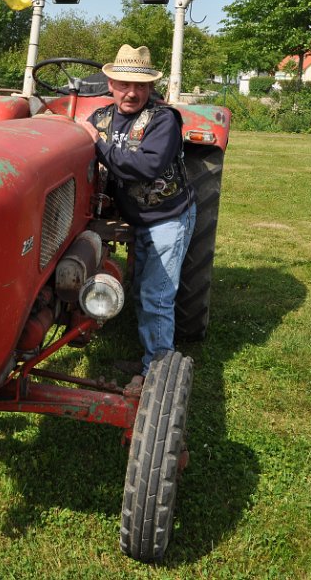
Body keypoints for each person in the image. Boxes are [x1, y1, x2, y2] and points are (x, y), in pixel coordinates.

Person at [81, 44, 196, 378]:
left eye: (140, 86)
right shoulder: (100, 118)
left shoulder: (163, 120)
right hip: (134, 216)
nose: (132, 93)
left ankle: (158, 373)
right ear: (111, 85)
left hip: (167, 218)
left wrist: (99, 146)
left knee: (156, 295)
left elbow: (145, 168)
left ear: (150, 88)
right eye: (124, 85)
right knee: (143, 287)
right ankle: (151, 358)